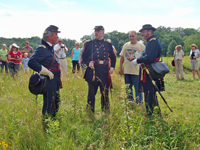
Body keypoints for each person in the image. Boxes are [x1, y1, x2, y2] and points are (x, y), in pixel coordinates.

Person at [28, 25, 61, 118]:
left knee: (55, 101)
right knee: (49, 102)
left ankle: (53, 121)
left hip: (54, 80)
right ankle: (48, 122)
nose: (57, 37)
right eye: (55, 34)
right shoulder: (42, 48)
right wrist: (46, 72)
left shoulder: (50, 48)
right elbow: (31, 62)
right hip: (49, 80)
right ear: (49, 36)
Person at [82, 25, 116, 113]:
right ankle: (90, 112)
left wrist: (112, 67)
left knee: (105, 92)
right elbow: (84, 56)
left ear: (103, 32)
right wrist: (89, 62)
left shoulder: (107, 44)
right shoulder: (89, 43)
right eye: (95, 31)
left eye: (98, 31)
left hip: (104, 70)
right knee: (91, 93)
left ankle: (105, 112)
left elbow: (113, 56)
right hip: (93, 70)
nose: (96, 33)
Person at [132, 24, 164, 115]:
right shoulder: (150, 41)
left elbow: (150, 58)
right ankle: (154, 114)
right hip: (149, 69)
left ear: (150, 31)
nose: (142, 33)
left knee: (150, 94)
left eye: (143, 31)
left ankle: (151, 115)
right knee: (150, 94)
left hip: (151, 70)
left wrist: (138, 60)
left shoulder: (153, 41)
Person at [119, 30, 145, 104]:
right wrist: (120, 67)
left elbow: (144, 57)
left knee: (138, 88)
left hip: (137, 71)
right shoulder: (126, 45)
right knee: (128, 88)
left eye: (133, 36)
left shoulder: (141, 46)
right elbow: (122, 57)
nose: (131, 37)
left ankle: (139, 102)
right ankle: (130, 102)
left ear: (136, 37)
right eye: (130, 36)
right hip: (127, 71)